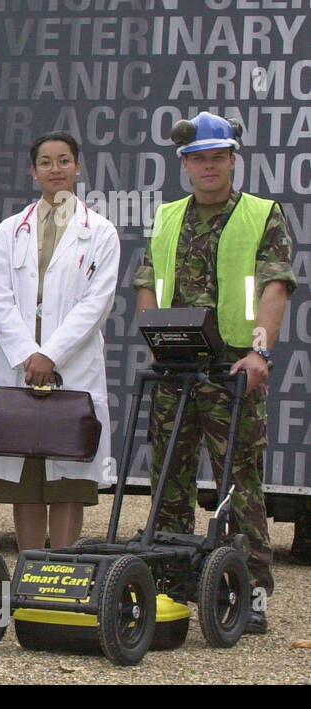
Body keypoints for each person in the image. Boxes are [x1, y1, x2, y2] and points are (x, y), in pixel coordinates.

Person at [134, 111, 297, 635]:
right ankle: (170, 587)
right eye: (199, 159)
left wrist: (260, 353)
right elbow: (147, 280)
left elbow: (276, 285)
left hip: (232, 364)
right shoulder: (168, 217)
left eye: (218, 157)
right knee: (168, 480)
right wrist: (155, 338)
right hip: (176, 365)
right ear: (185, 165)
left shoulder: (261, 214)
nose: (209, 166)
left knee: (240, 482)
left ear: (232, 160)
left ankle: (248, 592)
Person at [0, 131, 120, 551]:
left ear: (78, 167)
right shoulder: (9, 230)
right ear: (34, 171)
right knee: (26, 477)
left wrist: (50, 354)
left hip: (73, 366)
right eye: (46, 162)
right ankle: (31, 569)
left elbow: (96, 303)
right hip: (19, 365)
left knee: (69, 476)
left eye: (64, 160)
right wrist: (28, 353)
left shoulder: (101, 232)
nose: (56, 169)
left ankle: (63, 569)